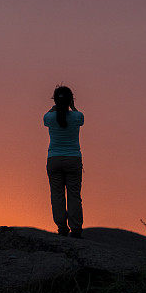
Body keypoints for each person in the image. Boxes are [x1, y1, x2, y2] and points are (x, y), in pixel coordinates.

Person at [43, 85, 85, 238]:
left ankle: (62, 228)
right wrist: (72, 107)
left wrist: (54, 107)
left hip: (54, 159)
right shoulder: (77, 116)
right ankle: (76, 229)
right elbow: (79, 118)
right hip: (73, 158)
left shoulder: (49, 117)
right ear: (71, 100)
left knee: (57, 195)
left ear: (55, 100)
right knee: (74, 195)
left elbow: (46, 119)